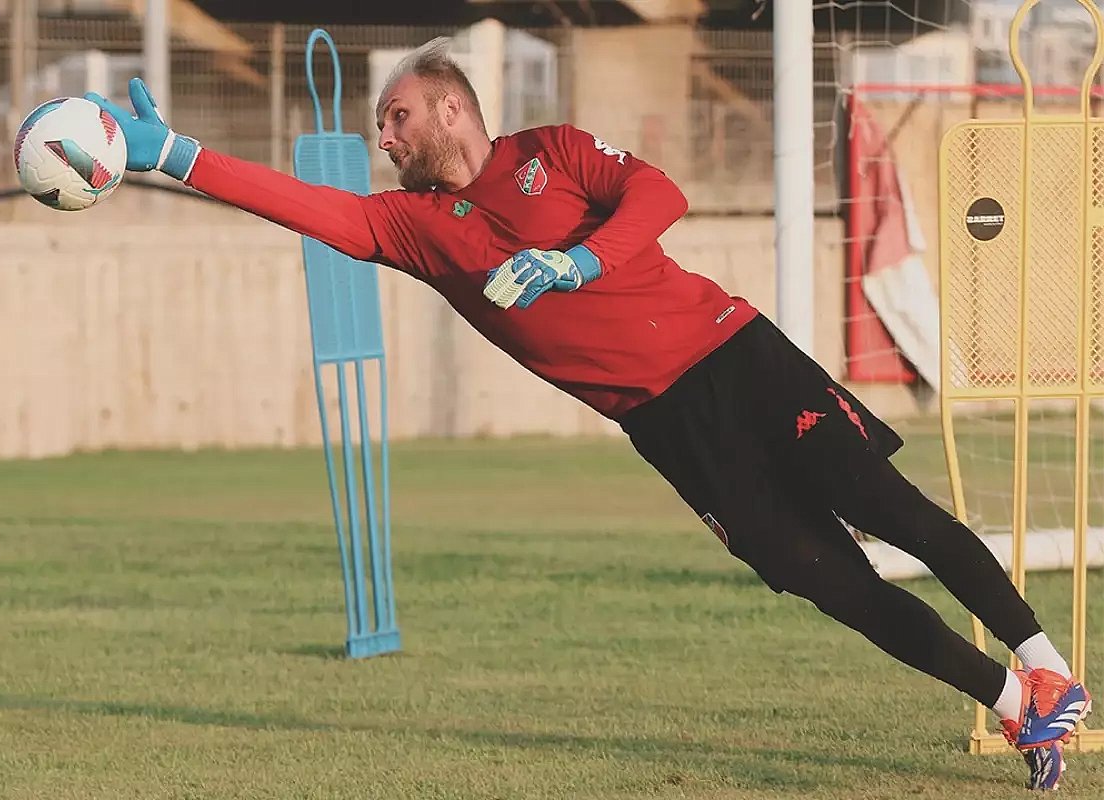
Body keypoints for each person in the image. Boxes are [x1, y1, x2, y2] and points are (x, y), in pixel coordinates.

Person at [86, 38, 1091, 790]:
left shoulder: (553, 150)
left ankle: (1046, 662)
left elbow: (660, 194)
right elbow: (311, 207)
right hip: (667, 425)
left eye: (395, 118)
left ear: (449, 108)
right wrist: (176, 154)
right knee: (829, 582)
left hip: (738, 356)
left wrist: (578, 261)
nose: (381, 138)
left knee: (890, 509)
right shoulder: (413, 227)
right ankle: (1020, 705)